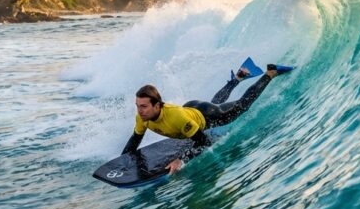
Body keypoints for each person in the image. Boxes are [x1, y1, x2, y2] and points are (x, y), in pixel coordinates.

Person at [122, 63, 289, 174]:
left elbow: (204, 141)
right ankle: (237, 78)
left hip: (206, 114)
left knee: (241, 105)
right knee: (215, 103)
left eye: (144, 106)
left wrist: (181, 159)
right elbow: (135, 140)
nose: (140, 110)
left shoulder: (177, 118)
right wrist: (122, 160)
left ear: (157, 105)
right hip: (191, 109)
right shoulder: (142, 117)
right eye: (138, 105)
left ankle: (270, 73)